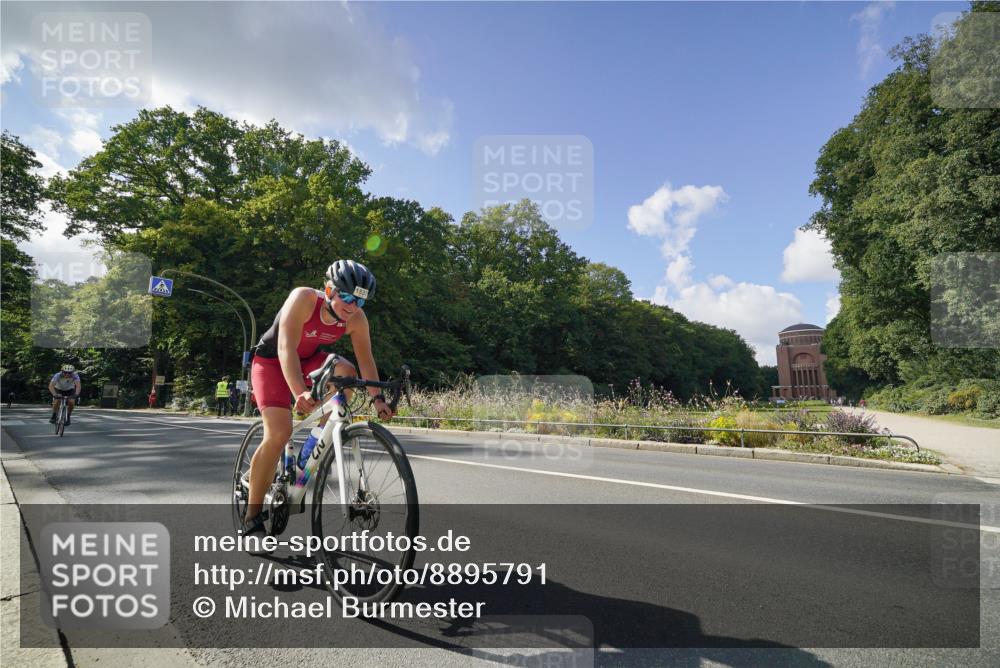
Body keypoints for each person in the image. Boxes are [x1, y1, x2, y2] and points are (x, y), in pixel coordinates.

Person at [243, 260, 395, 546]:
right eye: (347, 297)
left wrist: (378, 399)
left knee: (347, 372)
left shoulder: (356, 318)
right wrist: (299, 391)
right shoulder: (303, 299)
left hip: (309, 361)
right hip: (272, 361)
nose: (352, 305)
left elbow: (366, 360)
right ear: (329, 290)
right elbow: (285, 347)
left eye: (360, 300)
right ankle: (252, 518)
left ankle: (316, 441)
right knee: (279, 432)